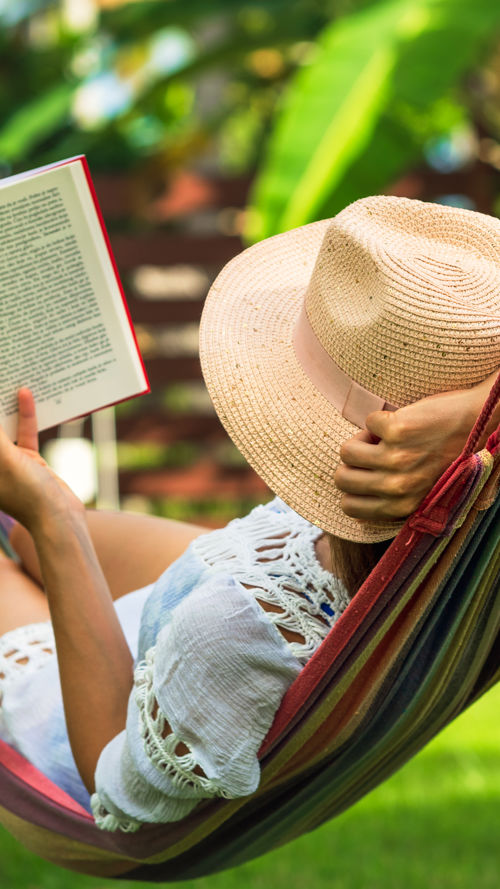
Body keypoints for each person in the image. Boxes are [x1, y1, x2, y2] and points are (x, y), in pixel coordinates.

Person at [0, 195, 499, 832]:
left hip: (79, 714)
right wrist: (478, 422)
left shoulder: (233, 635)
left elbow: (112, 783)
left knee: (22, 539)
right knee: (18, 526)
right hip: (227, 586)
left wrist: (52, 516)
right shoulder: (467, 557)